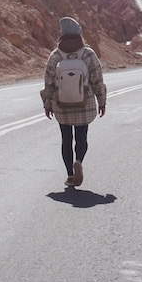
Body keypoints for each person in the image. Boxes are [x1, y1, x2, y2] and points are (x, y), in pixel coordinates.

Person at [41, 16, 107, 187]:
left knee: (66, 139)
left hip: (61, 105)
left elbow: (48, 82)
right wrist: (102, 101)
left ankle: (70, 175)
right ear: (79, 33)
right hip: (84, 104)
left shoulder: (55, 56)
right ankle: (78, 160)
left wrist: (47, 104)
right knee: (81, 137)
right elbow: (97, 79)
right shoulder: (88, 54)